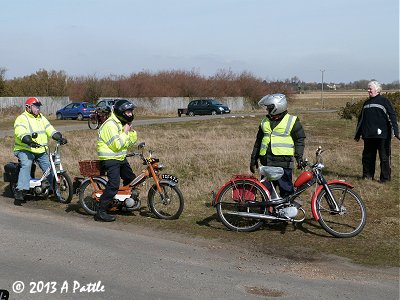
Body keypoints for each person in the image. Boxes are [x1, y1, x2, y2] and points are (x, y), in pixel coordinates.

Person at [13, 97, 68, 206]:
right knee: (27, 164)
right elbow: (20, 132)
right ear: (28, 107)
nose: (38, 109)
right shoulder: (21, 118)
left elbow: (50, 129)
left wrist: (58, 137)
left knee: (49, 167)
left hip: (40, 149)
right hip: (25, 149)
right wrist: (29, 141)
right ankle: (20, 191)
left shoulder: (41, 117)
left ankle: (55, 190)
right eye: (35, 106)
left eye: (39, 106)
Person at [250, 93, 306, 198]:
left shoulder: (292, 121)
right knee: (266, 193)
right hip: (267, 163)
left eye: (269, 108)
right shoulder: (264, 121)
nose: (267, 110)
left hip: (283, 164)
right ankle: (266, 212)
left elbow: (299, 139)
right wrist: (253, 159)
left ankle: (285, 212)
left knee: (286, 191)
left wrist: (299, 157)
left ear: (277, 107)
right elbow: (258, 141)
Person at [96, 99, 138, 222]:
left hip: (120, 158)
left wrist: (131, 132)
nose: (130, 114)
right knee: (114, 185)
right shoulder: (110, 125)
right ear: (121, 112)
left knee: (131, 179)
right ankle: (101, 211)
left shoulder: (121, 123)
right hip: (110, 159)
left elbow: (129, 142)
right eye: (128, 112)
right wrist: (125, 132)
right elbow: (117, 145)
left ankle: (122, 203)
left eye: (131, 112)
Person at [354, 80, 399, 183]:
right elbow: (361, 119)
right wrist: (357, 133)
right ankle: (367, 176)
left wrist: (396, 132)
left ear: (377, 90)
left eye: (370, 88)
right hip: (368, 135)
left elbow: (392, 116)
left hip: (383, 135)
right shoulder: (366, 103)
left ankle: (385, 179)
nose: (368, 90)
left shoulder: (384, 101)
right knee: (367, 157)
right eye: (368, 88)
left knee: (384, 158)